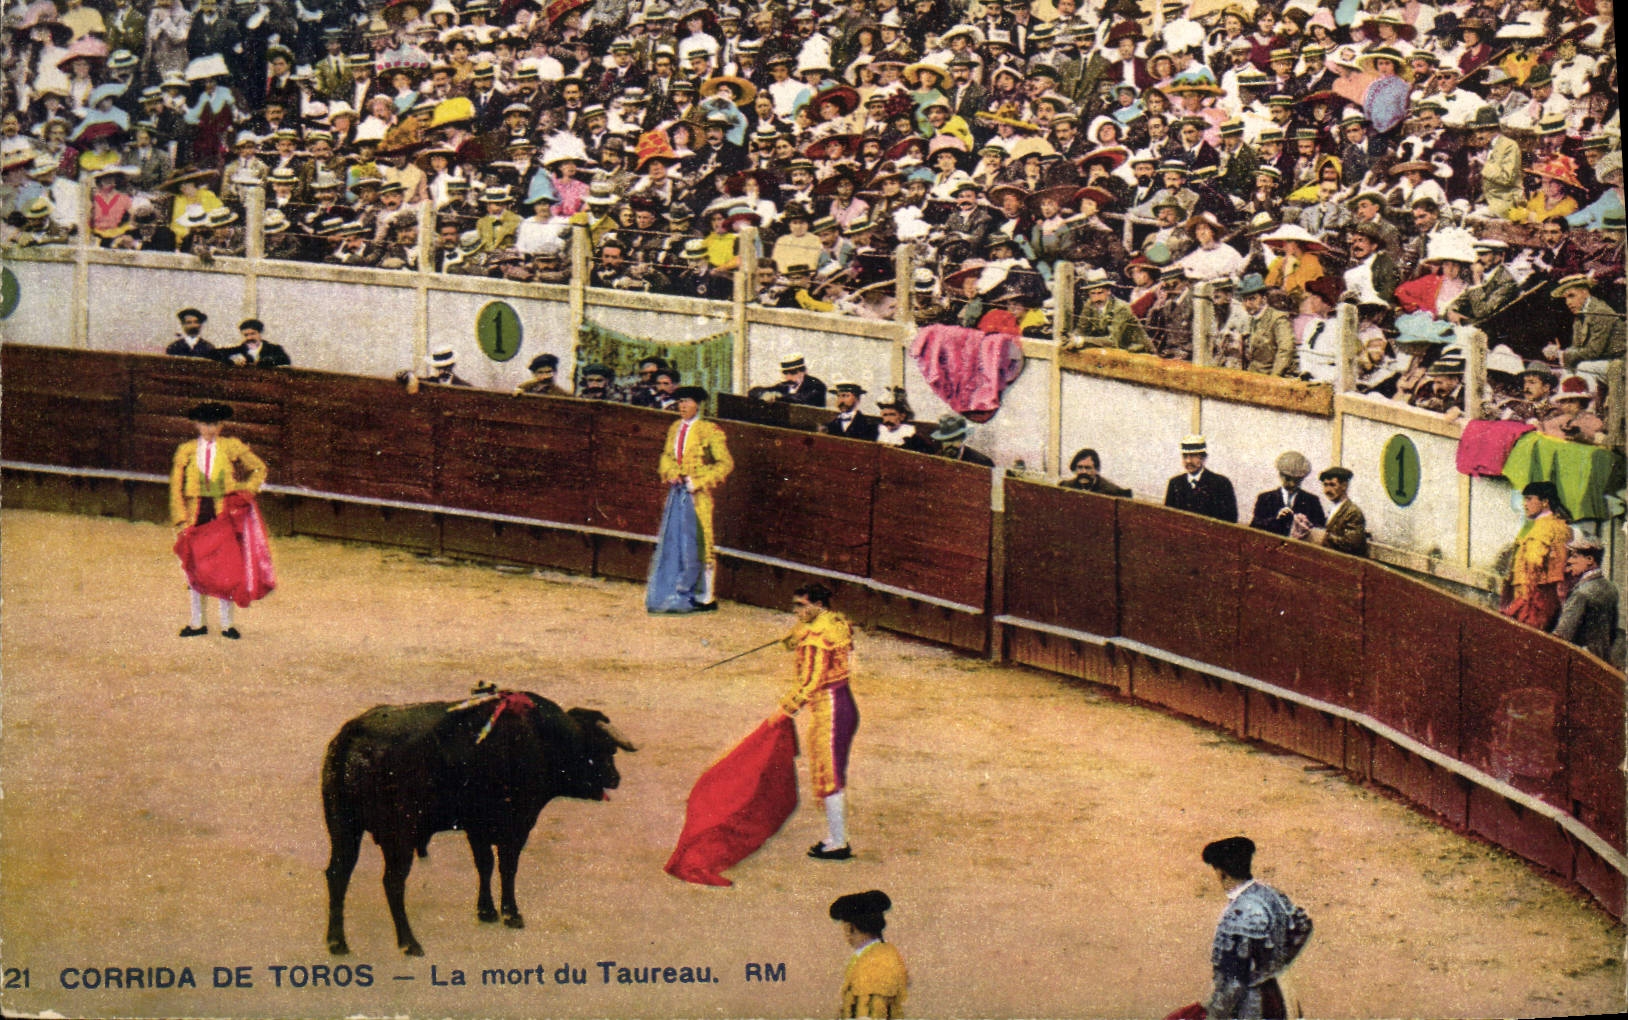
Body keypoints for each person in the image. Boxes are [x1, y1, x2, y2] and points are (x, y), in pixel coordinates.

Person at [775, 583, 860, 860]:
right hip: (843, 702)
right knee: (829, 770)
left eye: (802, 605)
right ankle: (837, 837)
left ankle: (838, 842)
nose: (796, 610)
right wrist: (794, 636)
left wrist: (786, 709)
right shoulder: (835, 621)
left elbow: (811, 681)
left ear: (818, 605)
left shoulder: (816, 637)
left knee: (829, 772)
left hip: (831, 708)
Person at [170, 402, 267, 639]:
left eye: (214, 423)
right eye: (205, 423)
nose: (210, 429)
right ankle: (196, 623)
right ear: (196, 424)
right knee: (194, 567)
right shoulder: (186, 449)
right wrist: (180, 516)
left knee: (225, 566)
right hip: (197, 512)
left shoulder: (231, 446)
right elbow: (176, 484)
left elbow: (259, 469)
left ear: (221, 424)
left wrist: (245, 491)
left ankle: (226, 625)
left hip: (223, 510)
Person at [1200, 836, 1313, 1020]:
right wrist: (1275, 963)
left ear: (1221, 873)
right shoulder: (1271, 894)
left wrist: (1213, 1016)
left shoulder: (1238, 913)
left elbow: (1234, 982)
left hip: (1251, 1005)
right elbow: (1303, 925)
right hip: (1280, 991)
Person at [653, 385, 733, 611]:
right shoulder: (674, 428)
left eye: (687, 401)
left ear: (698, 404)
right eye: (680, 402)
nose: (682, 406)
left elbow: (725, 463)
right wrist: (671, 473)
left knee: (701, 542)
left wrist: (697, 481)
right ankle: (682, 592)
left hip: (697, 494)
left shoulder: (710, 430)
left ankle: (706, 597)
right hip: (676, 492)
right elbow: (667, 456)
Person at [1501, 481, 1572, 631]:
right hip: (1551, 593)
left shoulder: (1543, 528)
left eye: (1529, 499)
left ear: (1545, 502)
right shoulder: (1561, 525)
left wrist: (1524, 600)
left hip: (1533, 594)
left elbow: (1533, 564)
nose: (1525, 504)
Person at [829, 890, 908, 1018]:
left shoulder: (875, 961)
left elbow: (870, 1013)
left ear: (850, 928)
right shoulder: (883, 952)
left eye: (844, 928)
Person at [1551, 537, 1621, 665]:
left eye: (1575, 557)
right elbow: (1613, 632)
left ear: (1590, 560)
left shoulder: (1581, 593)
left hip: (1581, 662)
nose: (1570, 561)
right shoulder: (1611, 588)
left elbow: (1561, 635)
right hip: (1602, 660)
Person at [1164, 434, 1237, 523]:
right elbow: (1168, 517)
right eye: (1185, 456)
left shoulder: (1221, 484)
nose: (1188, 461)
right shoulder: (1175, 483)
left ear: (1203, 457)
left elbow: (1230, 520)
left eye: (1193, 456)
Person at [1249, 451, 1324, 537]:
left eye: (1297, 480)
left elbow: (1320, 529)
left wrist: (1306, 525)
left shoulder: (1312, 500)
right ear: (1280, 475)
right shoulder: (1265, 498)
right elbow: (1254, 526)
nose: (1292, 484)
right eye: (1288, 479)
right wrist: (1276, 519)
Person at [1302, 467, 1367, 556]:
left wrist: (1324, 536)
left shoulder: (1353, 512)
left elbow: (1352, 544)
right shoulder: (1334, 508)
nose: (1327, 490)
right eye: (1325, 485)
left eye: (1332, 485)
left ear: (1344, 486)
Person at [751, 353, 828, 406]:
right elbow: (754, 391)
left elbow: (801, 400)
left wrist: (778, 397)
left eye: (792, 372)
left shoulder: (816, 385)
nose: (788, 377)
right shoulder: (785, 385)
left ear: (803, 371)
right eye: (785, 373)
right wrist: (764, 394)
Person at [213, 319, 291, 367]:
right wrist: (232, 360)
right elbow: (213, 353)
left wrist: (261, 362)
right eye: (246, 335)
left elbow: (285, 360)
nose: (249, 338)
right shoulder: (240, 349)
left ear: (260, 333)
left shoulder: (274, 348)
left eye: (253, 334)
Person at [1058, 448, 1131, 497]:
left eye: (1088, 468)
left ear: (1096, 469)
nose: (1084, 472)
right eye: (1080, 467)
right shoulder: (1066, 486)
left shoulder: (1111, 491)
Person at [927, 414, 994, 466]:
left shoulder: (981, 462)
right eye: (946, 440)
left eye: (954, 440)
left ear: (962, 438)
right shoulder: (936, 459)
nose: (950, 444)